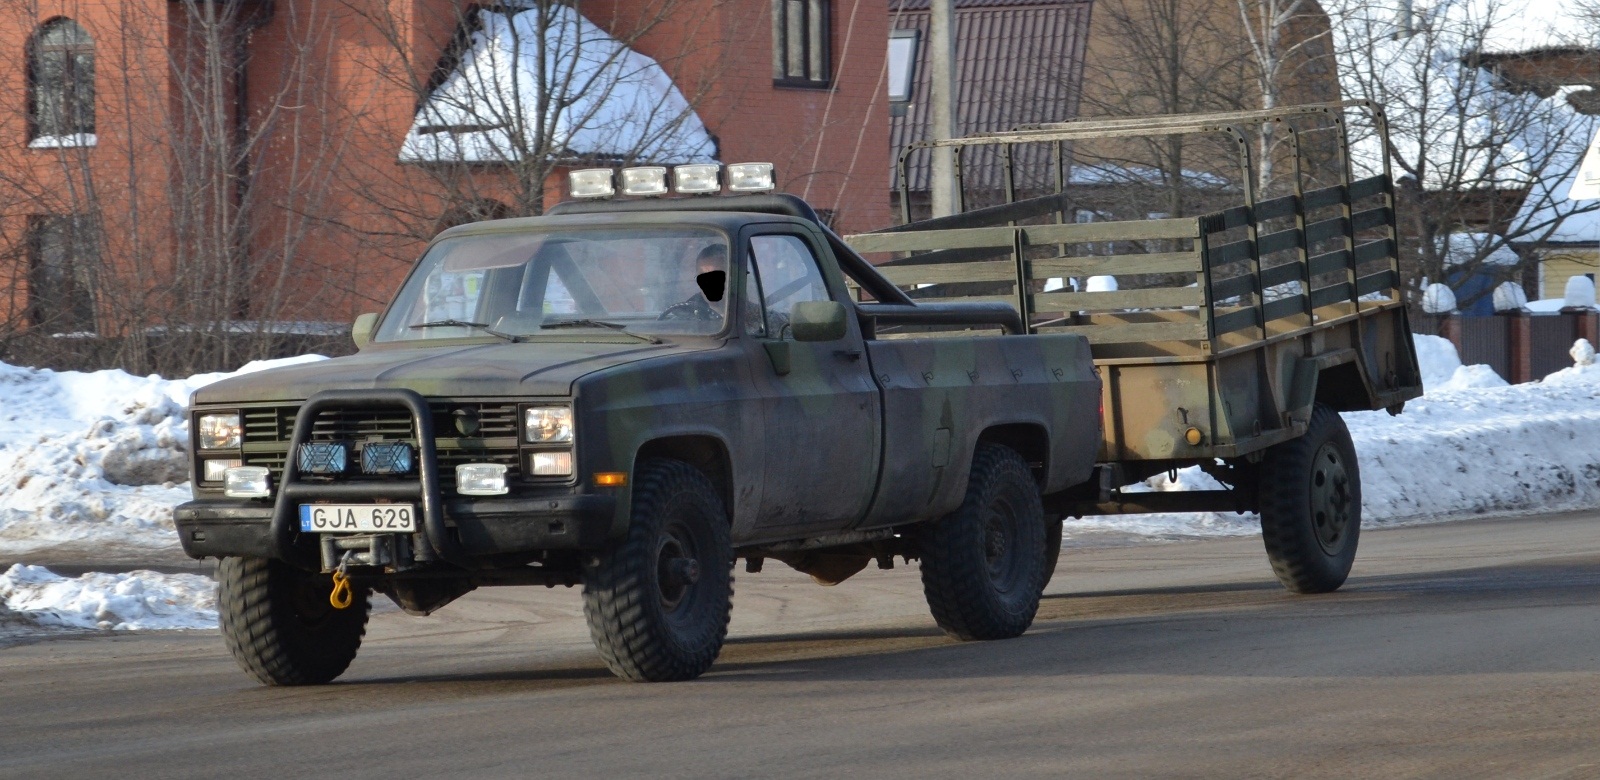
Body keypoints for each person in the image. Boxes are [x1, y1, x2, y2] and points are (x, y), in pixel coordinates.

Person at [660, 243, 728, 321]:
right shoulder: (683, 321)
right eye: (702, 277)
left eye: (716, 276)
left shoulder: (743, 315)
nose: (708, 282)